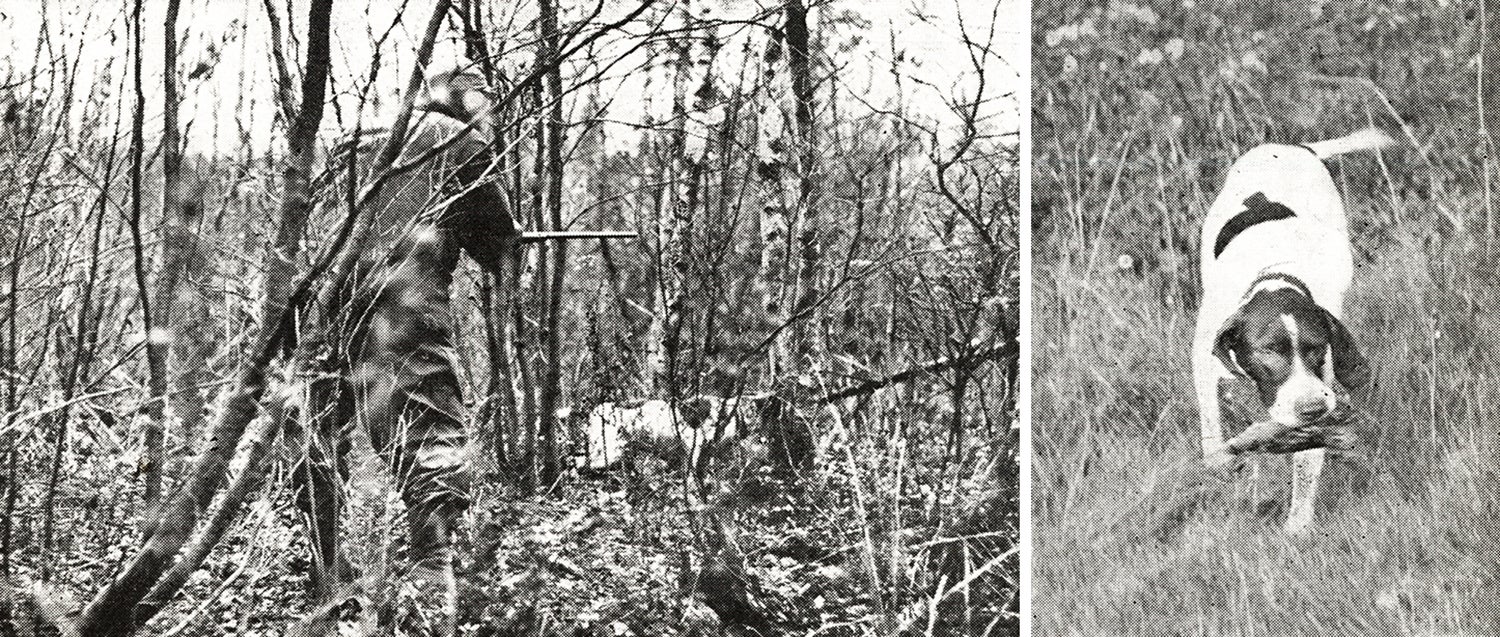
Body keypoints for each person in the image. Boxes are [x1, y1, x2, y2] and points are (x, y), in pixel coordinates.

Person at [293, 70, 512, 636]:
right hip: (402, 303)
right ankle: (431, 584)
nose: (487, 118)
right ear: (461, 101)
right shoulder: (456, 139)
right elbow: (498, 245)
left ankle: (326, 576)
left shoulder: (354, 139)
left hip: (319, 301)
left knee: (320, 435)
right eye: (483, 105)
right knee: (430, 433)